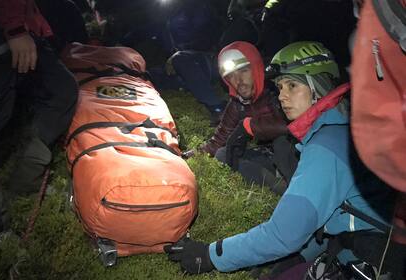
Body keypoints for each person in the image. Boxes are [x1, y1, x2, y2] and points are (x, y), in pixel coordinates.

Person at [165, 41, 395, 278]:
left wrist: (210, 255)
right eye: (280, 87)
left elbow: (283, 234)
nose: (283, 96)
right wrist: (301, 256)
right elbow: (341, 215)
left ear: (318, 86)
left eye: (292, 86)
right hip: (364, 241)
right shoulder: (344, 125)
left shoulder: (326, 146)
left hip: (378, 260)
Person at [0, 0, 78, 238]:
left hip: (20, 27)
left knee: (61, 91)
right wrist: (14, 28)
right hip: (0, 33)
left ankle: (24, 182)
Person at [189, 41, 297, 194]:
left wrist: (249, 127)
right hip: (269, 156)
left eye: (243, 71)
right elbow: (219, 139)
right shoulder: (237, 103)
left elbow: (292, 124)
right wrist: (187, 156)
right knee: (222, 153)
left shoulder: (276, 89)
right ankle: (277, 184)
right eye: (231, 76)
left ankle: (295, 185)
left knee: (282, 142)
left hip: (296, 153)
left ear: (256, 69)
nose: (238, 81)